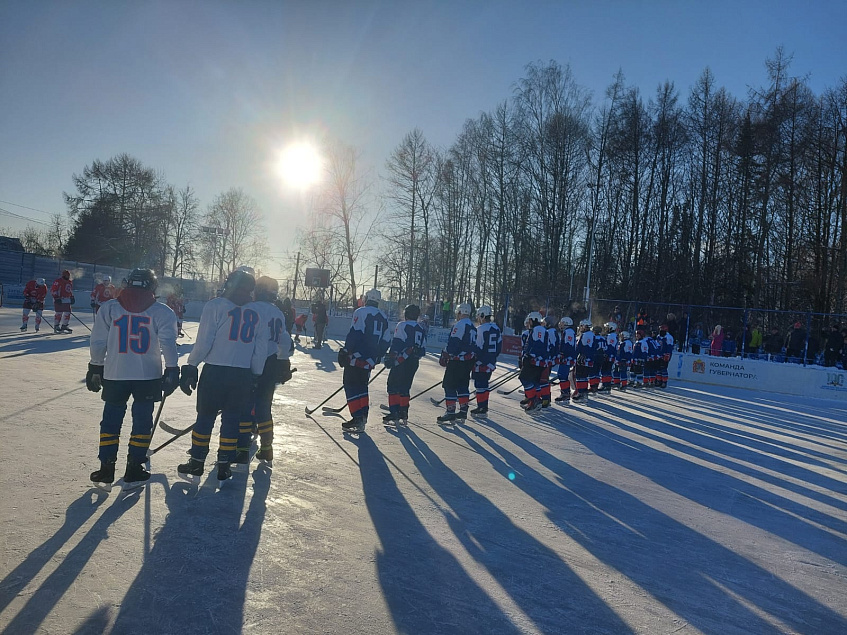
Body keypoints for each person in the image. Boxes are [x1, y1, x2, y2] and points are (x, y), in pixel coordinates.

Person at [87, 268, 179, 489]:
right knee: (142, 423)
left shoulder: (109, 308)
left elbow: (98, 341)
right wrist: (173, 369)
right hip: (147, 376)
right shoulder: (162, 312)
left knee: (110, 421)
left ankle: (106, 467)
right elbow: (168, 343)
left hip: (115, 373)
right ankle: (134, 466)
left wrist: (95, 367)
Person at [177, 269, 268, 481]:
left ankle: (197, 461)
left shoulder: (216, 305)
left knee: (205, 417)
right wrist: (256, 374)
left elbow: (204, 341)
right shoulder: (258, 313)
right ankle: (225, 463)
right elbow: (260, 349)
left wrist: (192, 364)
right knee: (232, 419)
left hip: (215, 372)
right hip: (242, 374)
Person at [239, 276, 292, 467]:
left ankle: (242, 448)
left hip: (251, 361)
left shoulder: (251, 309)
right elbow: (284, 341)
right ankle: (267, 446)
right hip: (271, 363)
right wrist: (284, 361)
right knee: (264, 406)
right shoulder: (277, 312)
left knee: (245, 405)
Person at [337, 288, 390, 433]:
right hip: (370, 359)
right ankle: (362, 416)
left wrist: (346, 350)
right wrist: (377, 356)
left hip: (357, 356)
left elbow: (356, 333)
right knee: (362, 386)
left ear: (367, 298)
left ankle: (357, 417)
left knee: (350, 385)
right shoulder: (384, 317)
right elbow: (386, 340)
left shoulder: (361, 312)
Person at [383, 304, 426, 425]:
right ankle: (404, 412)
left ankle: (394, 412)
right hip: (414, 362)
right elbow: (423, 350)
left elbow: (398, 343)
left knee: (393, 385)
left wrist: (391, 356)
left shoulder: (402, 325)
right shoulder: (421, 328)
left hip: (402, 361)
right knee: (405, 387)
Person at [435, 303, 477, 422]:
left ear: (460, 312)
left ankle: (450, 412)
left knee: (449, 385)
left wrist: (446, 353)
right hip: (468, 361)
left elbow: (454, 342)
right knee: (463, 386)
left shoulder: (460, 325)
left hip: (458, 360)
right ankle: (463, 411)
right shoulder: (472, 326)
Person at [469, 305, 502, 416]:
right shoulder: (496, 328)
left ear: (482, 316)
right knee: (484, 384)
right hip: (491, 361)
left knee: (480, 384)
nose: (478, 319)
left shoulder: (480, 329)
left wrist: (475, 359)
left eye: (479, 316)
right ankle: (483, 405)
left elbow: (477, 347)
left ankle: (482, 407)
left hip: (481, 361)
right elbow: (499, 346)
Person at [517, 312, 547, 411]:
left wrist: (529, 355)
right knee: (535, 381)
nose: (528, 322)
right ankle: (536, 400)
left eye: (530, 320)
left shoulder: (537, 330)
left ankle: (533, 400)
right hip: (540, 361)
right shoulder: (542, 330)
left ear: (533, 320)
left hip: (534, 361)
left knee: (524, 378)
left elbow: (537, 344)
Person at [571, 319, 595, 402]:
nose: (580, 328)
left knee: (580, 376)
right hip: (589, 359)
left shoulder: (585, 335)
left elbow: (580, 347)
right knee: (584, 376)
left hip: (583, 359)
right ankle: (584, 393)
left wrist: (575, 356)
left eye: (581, 326)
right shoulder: (592, 335)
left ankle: (581, 393)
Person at [554, 317, 576, 403]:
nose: (560, 324)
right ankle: (565, 392)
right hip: (567, 357)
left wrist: (563, 354)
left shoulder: (569, 332)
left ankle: (565, 393)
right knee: (561, 375)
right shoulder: (567, 331)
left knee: (562, 375)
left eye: (562, 323)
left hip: (567, 357)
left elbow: (569, 345)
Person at [599, 322, 618, 393]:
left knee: (605, 371)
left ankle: (605, 385)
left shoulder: (611, 336)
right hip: (610, 356)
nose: (605, 329)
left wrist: (606, 354)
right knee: (607, 370)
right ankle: (607, 385)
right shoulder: (612, 335)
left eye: (607, 327)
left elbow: (610, 347)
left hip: (609, 357)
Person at [656, 324, 674, 388]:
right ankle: (658, 380)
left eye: (662, 329)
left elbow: (670, 347)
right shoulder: (658, 336)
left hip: (665, 355)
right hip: (659, 354)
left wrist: (668, 354)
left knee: (663, 368)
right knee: (658, 368)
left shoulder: (669, 337)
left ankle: (664, 381)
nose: (660, 330)